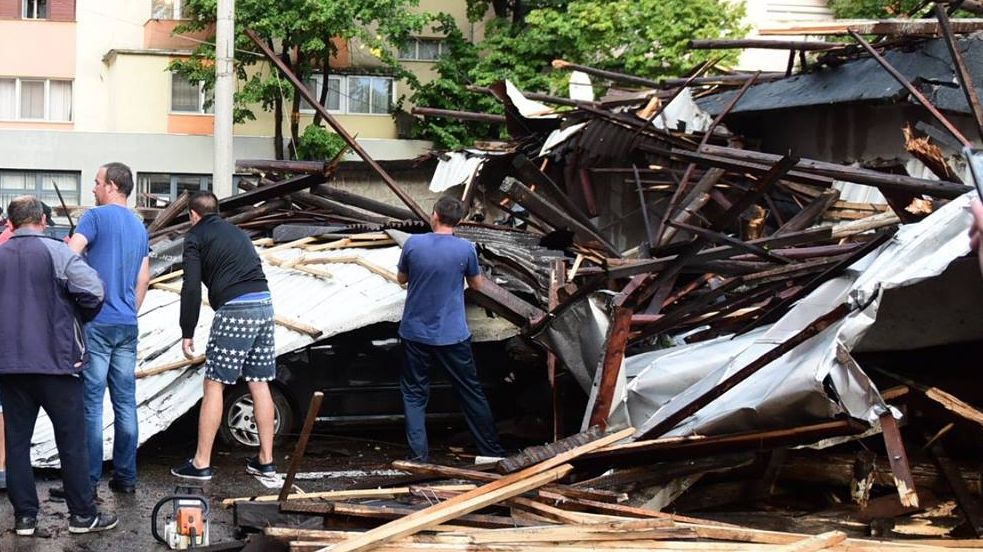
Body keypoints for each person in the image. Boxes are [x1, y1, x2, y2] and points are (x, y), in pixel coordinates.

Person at [0, 195, 118, 535]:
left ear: (11, 222)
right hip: (57, 364)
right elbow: (94, 291)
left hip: (10, 366)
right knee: (71, 439)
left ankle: (24, 518)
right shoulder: (57, 252)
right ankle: (82, 515)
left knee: (17, 442)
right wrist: (76, 316)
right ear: (43, 220)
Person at [171, 191, 278, 480]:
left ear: (193, 215)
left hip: (235, 310)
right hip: (265, 305)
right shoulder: (239, 233)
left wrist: (187, 330)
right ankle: (265, 460)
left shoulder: (195, 237)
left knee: (214, 383)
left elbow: (191, 287)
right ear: (216, 211)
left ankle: (201, 463)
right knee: (259, 382)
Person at [396, 195, 507, 462]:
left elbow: (401, 279)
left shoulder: (413, 244)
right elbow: (477, 285)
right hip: (452, 334)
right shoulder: (466, 249)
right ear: (459, 221)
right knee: (470, 391)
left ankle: (417, 459)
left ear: (434, 215)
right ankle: (491, 452)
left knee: (414, 394)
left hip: (415, 333)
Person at [67, 163, 150, 495]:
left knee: (91, 404)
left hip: (98, 323)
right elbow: (144, 278)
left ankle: (87, 481)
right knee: (126, 403)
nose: (94, 189)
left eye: (97, 182)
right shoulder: (139, 226)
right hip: (127, 324)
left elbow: (69, 257)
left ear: (113, 185)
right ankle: (126, 478)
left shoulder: (95, 217)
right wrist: (130, 309)